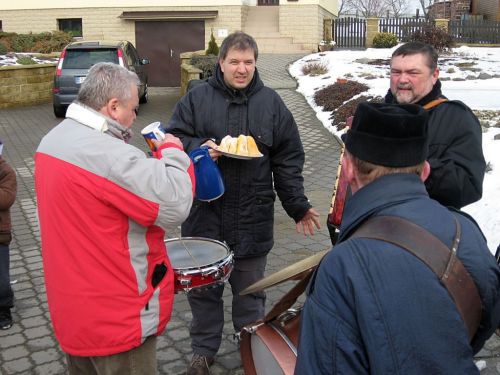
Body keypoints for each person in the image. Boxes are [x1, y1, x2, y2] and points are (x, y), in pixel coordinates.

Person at [295, 102, 500, 374]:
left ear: (348, 170)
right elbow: (484, 320)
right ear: (425, 171)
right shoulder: (466, 231)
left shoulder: (342, 266)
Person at [165, 31, 321, 375]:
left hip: (252, 215)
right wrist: (200, 147)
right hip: (204, 215)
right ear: (220, 63)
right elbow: (172, 139)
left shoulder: (272, 103)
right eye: (234, 61)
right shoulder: (197, 98)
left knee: (250, 293)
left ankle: (250, 347)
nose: (241, 69)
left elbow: (288, 159)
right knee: (204, 294)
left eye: (248, 62)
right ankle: (203, 352)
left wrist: (297, 204)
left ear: (256, 64)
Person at [35, 62, 195, 374]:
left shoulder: (51, 143)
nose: (135, 118)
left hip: (73, 313)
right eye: (134, 109)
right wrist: (173, 152)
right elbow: (175, 203)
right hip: (117, 320)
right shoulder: (109, 156)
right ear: (113, 106)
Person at [386, 41, 485, 208]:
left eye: (413, 72)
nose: (402, 80)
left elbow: (469, 187)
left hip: (425, 225)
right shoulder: (380, 114)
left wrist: (416, 166)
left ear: (434, 75)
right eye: (396, 72)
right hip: (374, 224)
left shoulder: (457, 118)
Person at [0, 141, 17, 330]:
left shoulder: (5, 171)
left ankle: (4, 309)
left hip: (0, 235)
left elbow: (6, 199)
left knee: (1, 279)